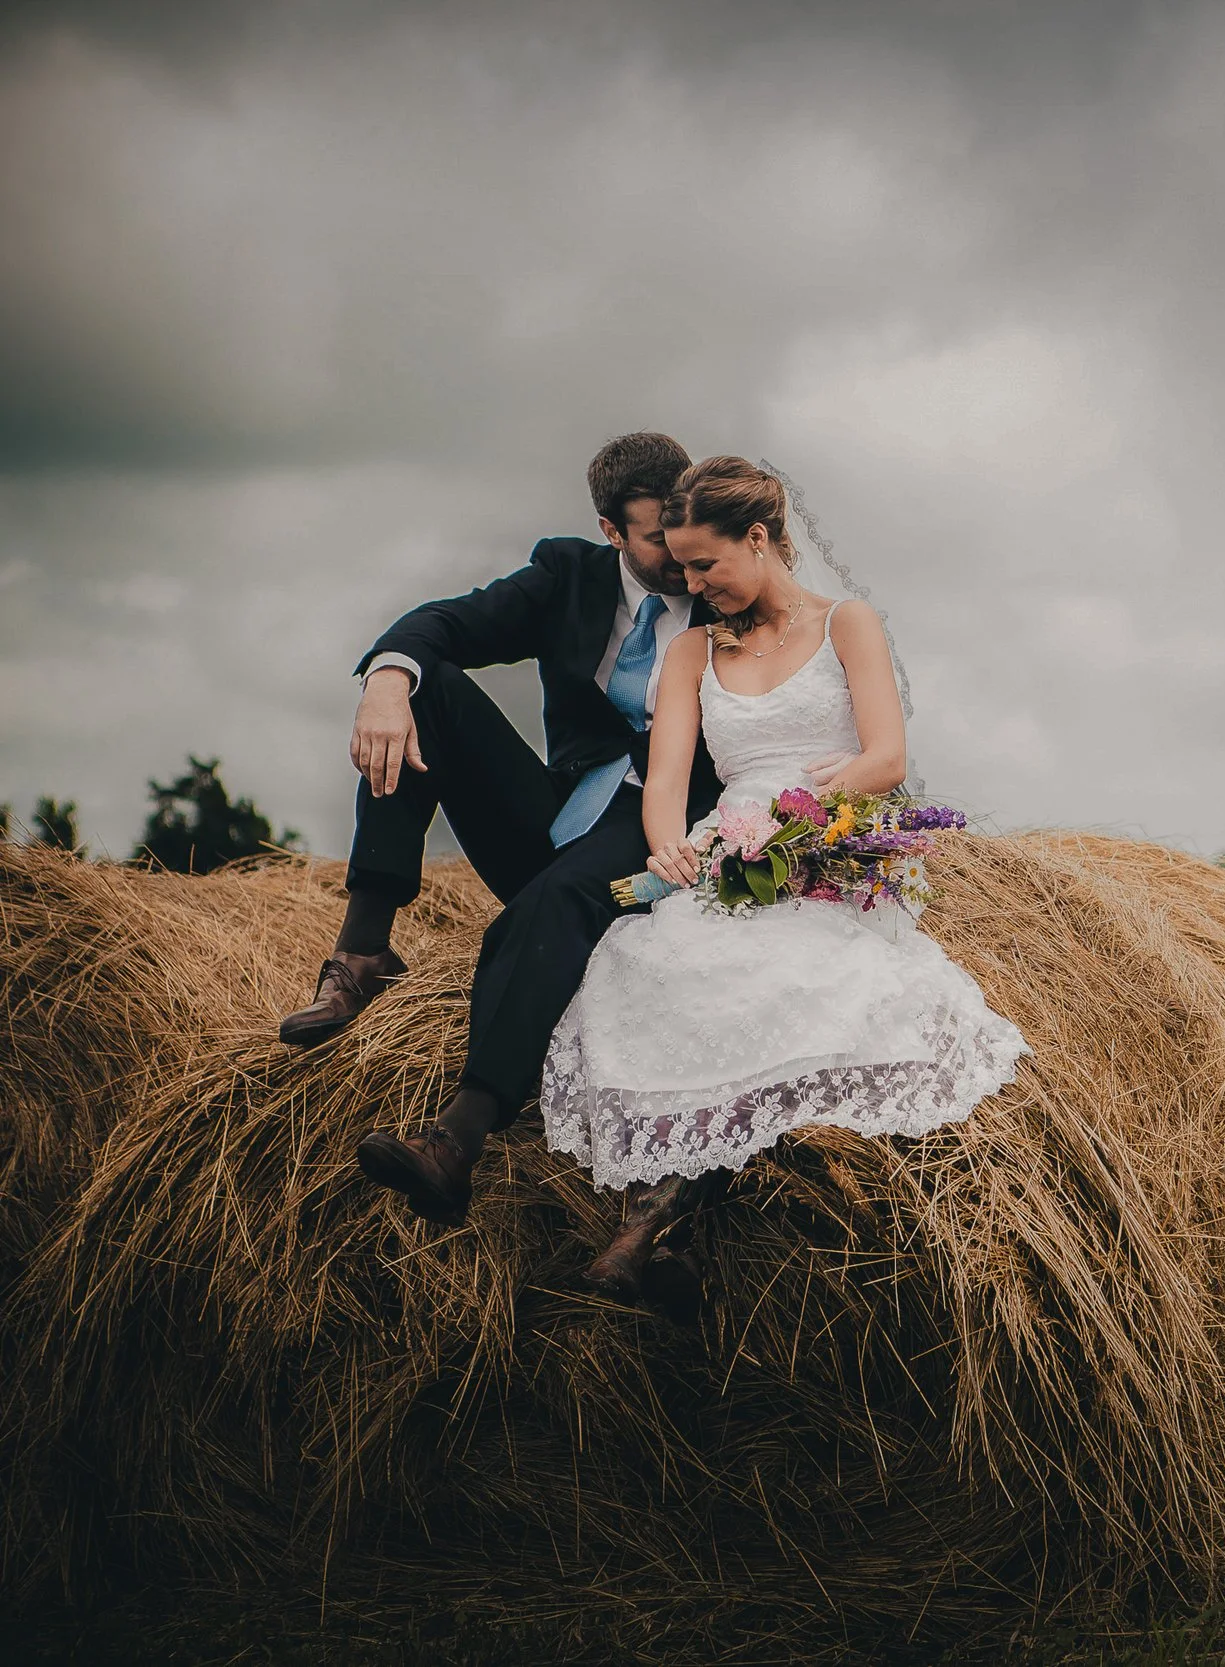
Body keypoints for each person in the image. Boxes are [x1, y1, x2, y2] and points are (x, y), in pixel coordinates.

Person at [540, 456, 1028, 1314]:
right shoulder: (690, 650)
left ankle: (651, 1226)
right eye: (682, 566)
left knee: (796, 976)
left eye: (706, 564)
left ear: (759, 538)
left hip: (828, 843)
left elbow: (885, 757)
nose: (691, 583)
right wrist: (668, 850)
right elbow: (666, 778)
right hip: (725, 847)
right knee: (653, 970)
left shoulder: (849, 624)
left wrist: (796, 822)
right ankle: (665, 1221)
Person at [280, 432, 723, 1226]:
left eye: (684, 525)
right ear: (610, 530)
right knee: (425, 692)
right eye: (657, 534)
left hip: (666, 831)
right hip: (563, 813)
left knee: (546, 907)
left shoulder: (723, 581)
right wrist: (386, 677)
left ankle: (457, 1139)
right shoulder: (568, 576)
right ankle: (362, 952)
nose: (679, 551)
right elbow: (447, 621)